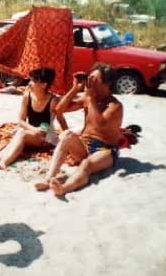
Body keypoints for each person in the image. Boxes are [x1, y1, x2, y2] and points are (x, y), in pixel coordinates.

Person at [35, 63, 123, 196]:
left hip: (105, 149)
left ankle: (64, 188)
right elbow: (58, 109)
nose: (90, 82)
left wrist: (91, 98)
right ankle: (49, 178)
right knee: (67, 135)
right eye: (90, 78)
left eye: (95, 79)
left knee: (87, 164)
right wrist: (75, 89)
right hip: (84, 145)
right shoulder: (88, 99)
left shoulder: (115, 106)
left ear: (107, 83)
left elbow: (100, 125)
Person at [0, 67, 68, 170]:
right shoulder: (28, 96)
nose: (29, 83)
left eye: (33, 81)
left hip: (46, 138)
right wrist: (33, 129)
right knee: (21, 132)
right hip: (31, 132)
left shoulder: (53, 100)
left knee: (22, 133)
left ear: (44, 85)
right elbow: (21, 121)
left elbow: (61, 120)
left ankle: (4, 161)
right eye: (30, 80)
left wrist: (67, 139)